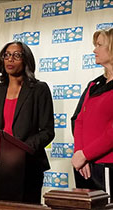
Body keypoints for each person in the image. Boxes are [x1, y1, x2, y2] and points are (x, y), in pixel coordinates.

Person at [0, 41, 55, 204]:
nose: (10, 59)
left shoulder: (39, 89)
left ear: (26, 59)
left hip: (28, 164)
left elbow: (47, 131)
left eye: (16, 55)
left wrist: (21, 150)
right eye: (6, 55)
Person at [71, 28, 113, 199]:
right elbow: (79, 120)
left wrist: (86, 154)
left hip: (107, 165)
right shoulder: (94, 85)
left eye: (99, 45)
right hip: (84, 165)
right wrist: (79, 154)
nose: (94, 50)